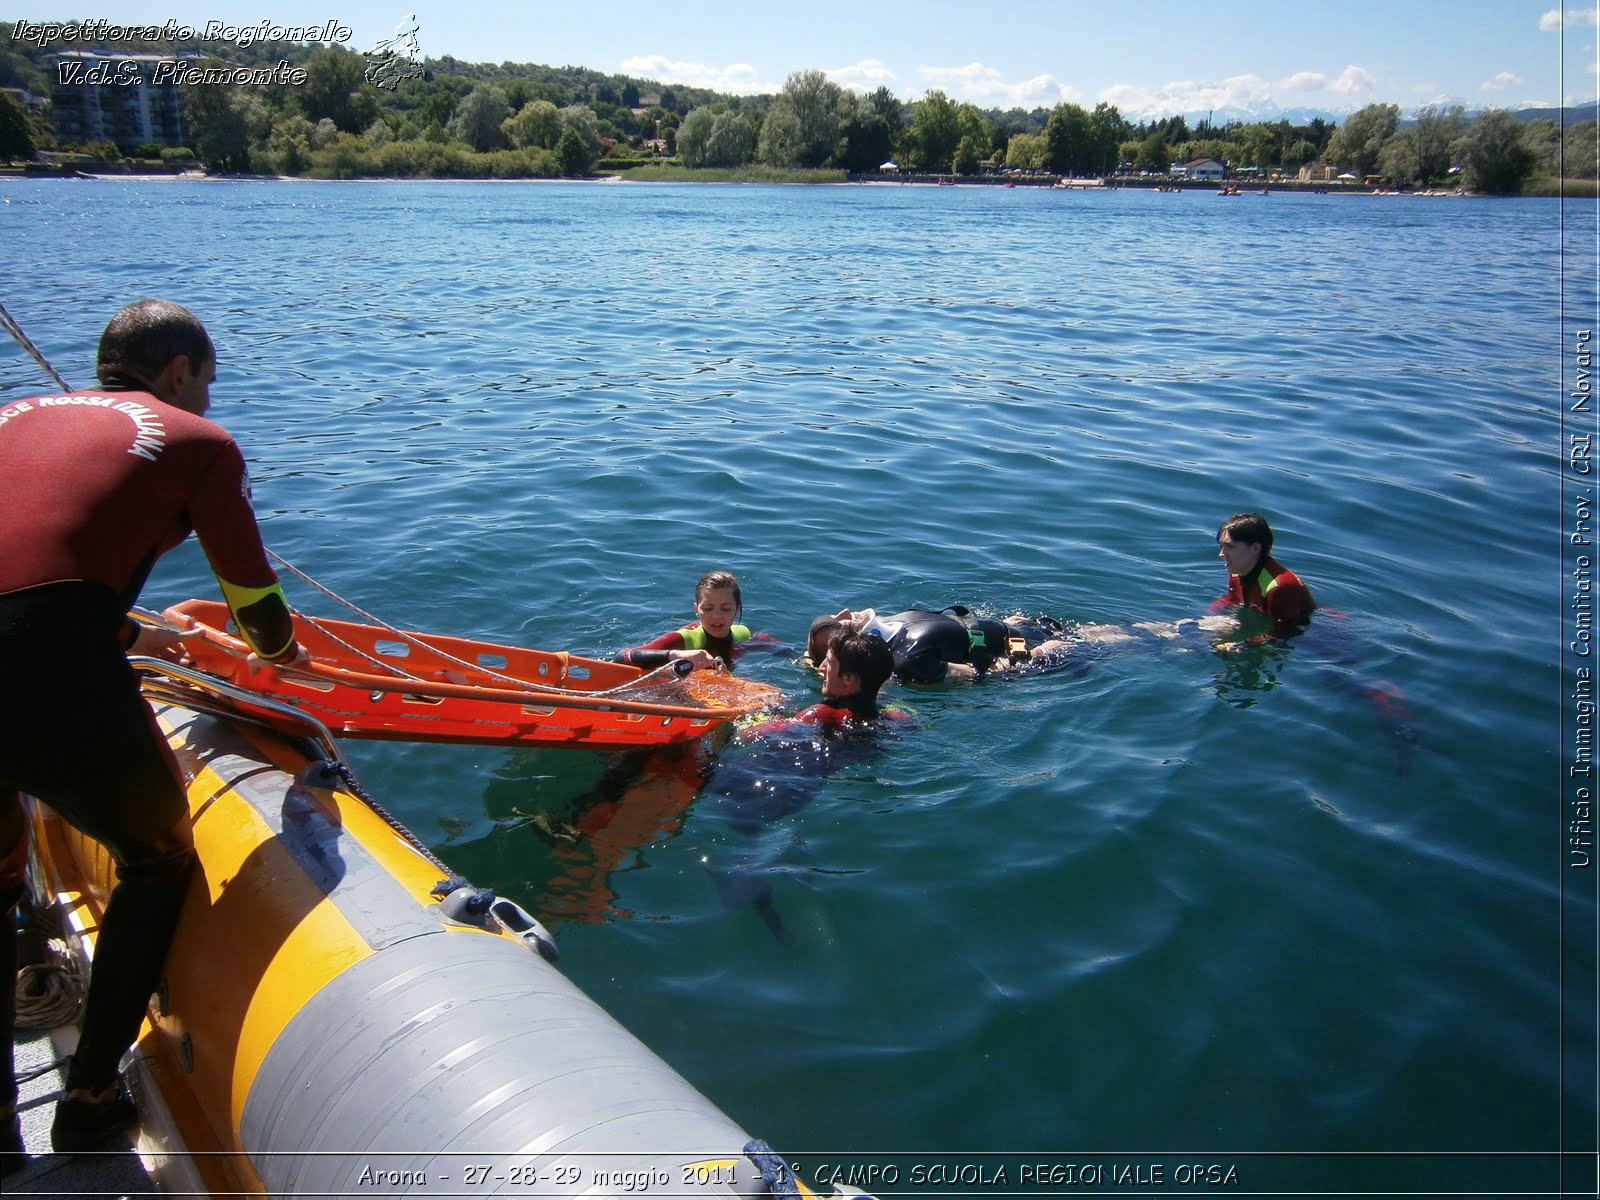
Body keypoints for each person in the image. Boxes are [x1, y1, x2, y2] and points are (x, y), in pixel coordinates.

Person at [0, 300, 303, 1164]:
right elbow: (253, 601)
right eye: (206, 381)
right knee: (159, 853)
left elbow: (30, 567)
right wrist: (284, 656)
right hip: (40, 664)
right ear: (179, 372)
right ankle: (90, 1096)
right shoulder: (197, 442)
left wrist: (134, 633)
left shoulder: (13, 413)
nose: (206, 399)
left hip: (41, 637)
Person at [805, 606, 1031, 684]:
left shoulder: (890, 623)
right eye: (840, 628)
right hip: (1029, 652)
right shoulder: (907, 661)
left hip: (1014, 627)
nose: (845, 614)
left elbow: (946, 624)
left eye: (836, 619)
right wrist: (1041, 652)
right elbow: (981, 674)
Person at [616, 570, 783, 671]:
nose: (716, 616)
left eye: (725, 609)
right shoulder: (684, 640)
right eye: (708, 608)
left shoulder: (743, 634)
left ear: (737, 609)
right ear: (696, 609)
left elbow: (780, 649)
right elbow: (622, 656)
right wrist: (675, 654)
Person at [1209, 512, 1316, 643]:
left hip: (1322, 638)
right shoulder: (1238, 570)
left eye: (1230, 546)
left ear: (1255, 548)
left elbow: (1286, 632)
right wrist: (1201, 622)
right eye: (1221, 546)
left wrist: (1240, 642)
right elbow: (1231, 602)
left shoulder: (1279, 587)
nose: (1221, 554)